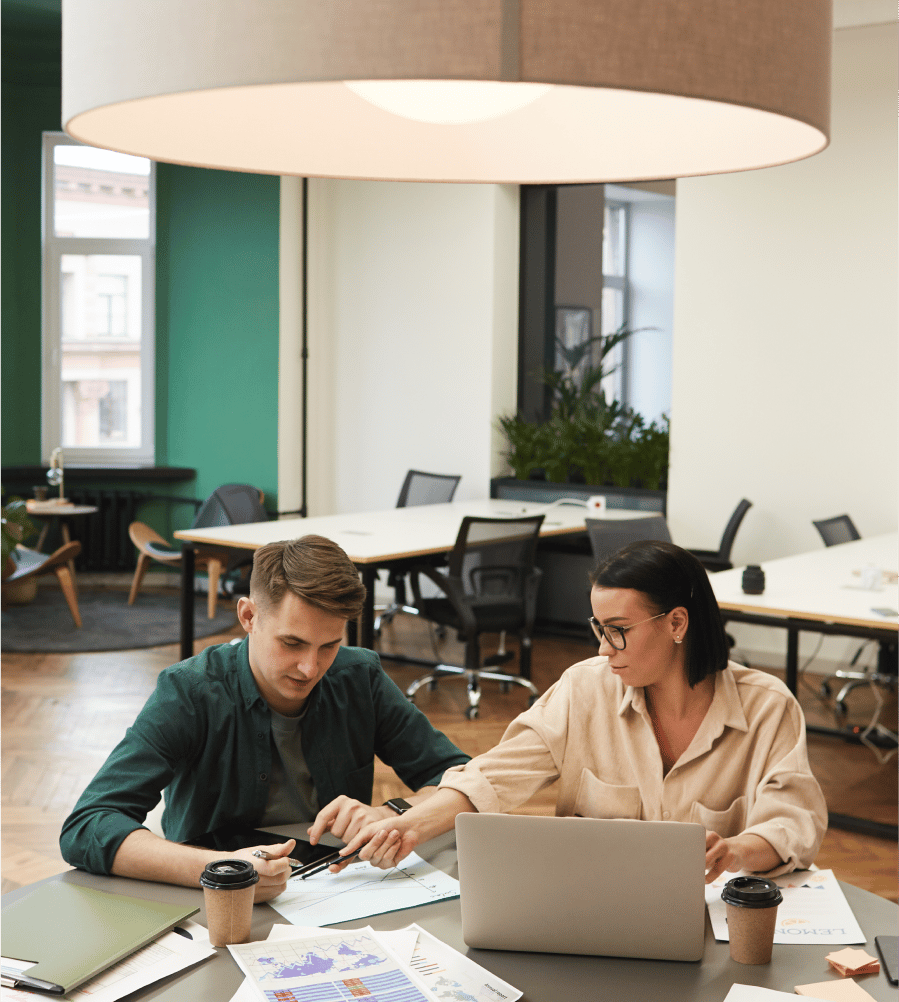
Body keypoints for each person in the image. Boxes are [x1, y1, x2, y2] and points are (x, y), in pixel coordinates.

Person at [329, 540, 827, 882]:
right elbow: (493, 776)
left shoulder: (767, 706)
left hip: (711, 921)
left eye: (618, 629)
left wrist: (734, 852)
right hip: (592, 911)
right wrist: (409, 823)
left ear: (677, 622)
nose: (604, 649)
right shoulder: (585, 688)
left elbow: (793, 824)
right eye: (598, 628)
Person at [60, 535, 470, 902]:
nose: (310, 668)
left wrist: (395, 812)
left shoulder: (359, 677)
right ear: (249, 616)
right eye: (292, 643)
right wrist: (217, 870)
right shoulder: (190, 691)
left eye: (329, 646)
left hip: (340, 889)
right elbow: (88, 826)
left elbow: (464, 779)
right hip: (218, 898)